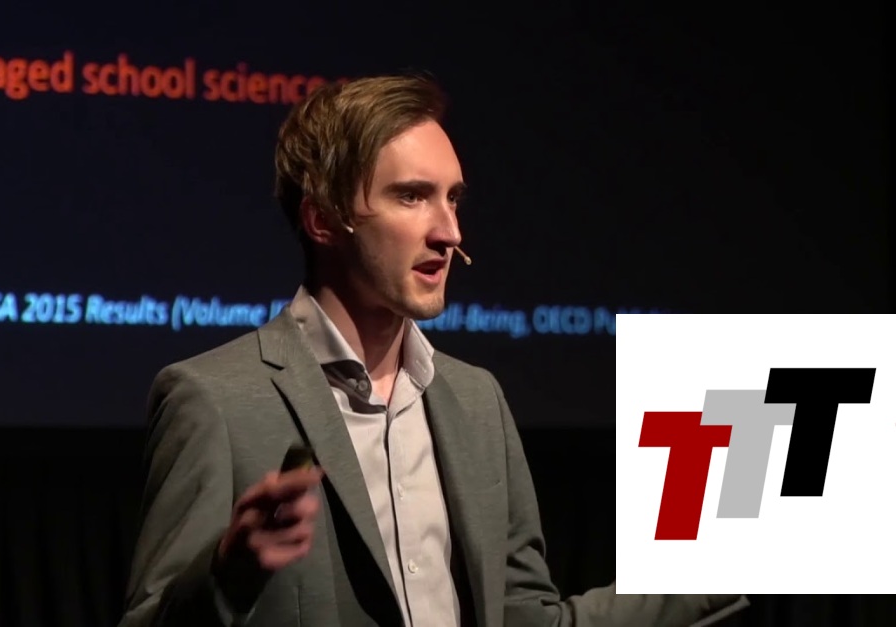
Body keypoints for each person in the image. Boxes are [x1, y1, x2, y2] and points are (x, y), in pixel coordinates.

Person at [118, 74, 748, 627]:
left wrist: (728, 564)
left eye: (453, 198)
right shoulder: (215, 400)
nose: (450, 232)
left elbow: (526, 619)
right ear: (323, 219)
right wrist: (227, 575)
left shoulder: (475, 399)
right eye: (412, 196)